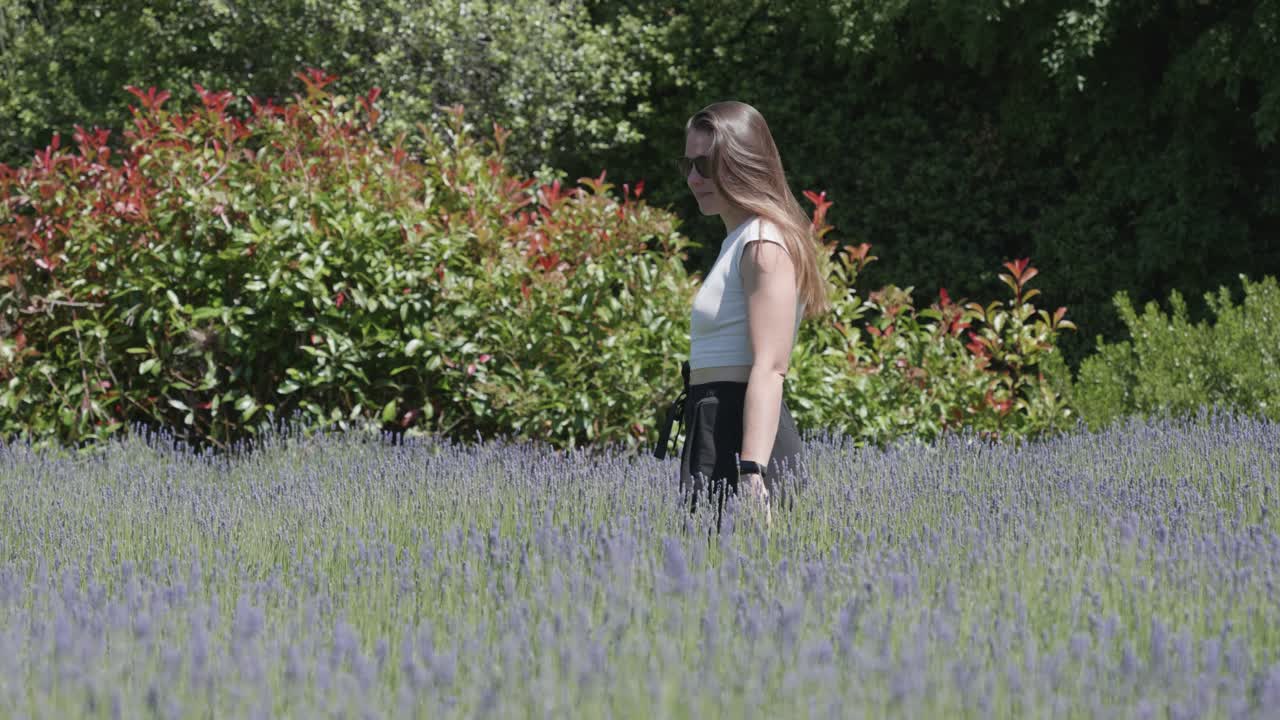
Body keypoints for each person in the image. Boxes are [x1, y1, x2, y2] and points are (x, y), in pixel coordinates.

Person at [657, 100, 830, 525]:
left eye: (706, 164)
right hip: (712, 424)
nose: (694, 178)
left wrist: (752, 473)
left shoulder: (762, 243)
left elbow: (770, 368)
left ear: (743, 164)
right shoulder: (739, 239)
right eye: (688, 164)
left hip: (739, 435)